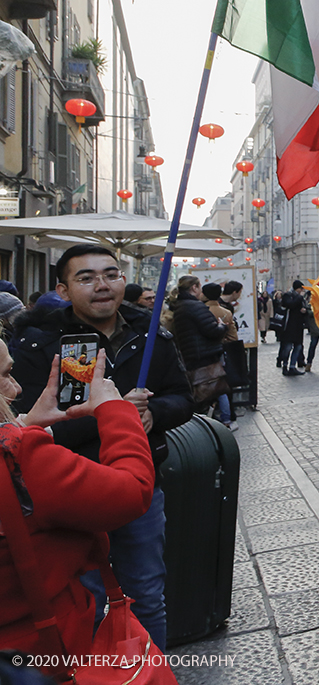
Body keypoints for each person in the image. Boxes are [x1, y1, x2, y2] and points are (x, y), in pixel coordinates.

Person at [11, 243, 193, 651]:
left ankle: (151, 672)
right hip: (68, 493)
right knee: (85, 600)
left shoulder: (151, 336)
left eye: (111, 275)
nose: (102, 286)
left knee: (146, 594)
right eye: (86, 278)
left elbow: (184, 398)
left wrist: (153, 414)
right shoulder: (41, 344)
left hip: (140, 488)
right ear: (63, 288)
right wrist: (112, 416)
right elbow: (31, 425)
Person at [0, 346, 154, 663]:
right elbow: (133, 491)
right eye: (4, 374)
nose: (15, 388)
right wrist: (116, 410)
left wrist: (25, 423)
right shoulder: (18, 458)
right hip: (40, 653)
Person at [202, 283, 237, 431]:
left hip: (202, 353)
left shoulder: (200, 311)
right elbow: (233, 337)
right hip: (220, 352)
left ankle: (205, 417)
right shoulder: (225, 312)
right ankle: (226, 419)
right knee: (220, 385)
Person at [278, 281, 308, 376]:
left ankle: (292, 366)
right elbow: (290, 305)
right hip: (289, 326)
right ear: (297, 288)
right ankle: (285, 366)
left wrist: (304, 311)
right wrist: (299, 298)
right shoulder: (288, 295)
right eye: (301, 288)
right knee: (288, 347)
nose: (302, 291)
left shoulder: (300, 298)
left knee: (298, 347)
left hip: (298, 326)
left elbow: (304, 307)